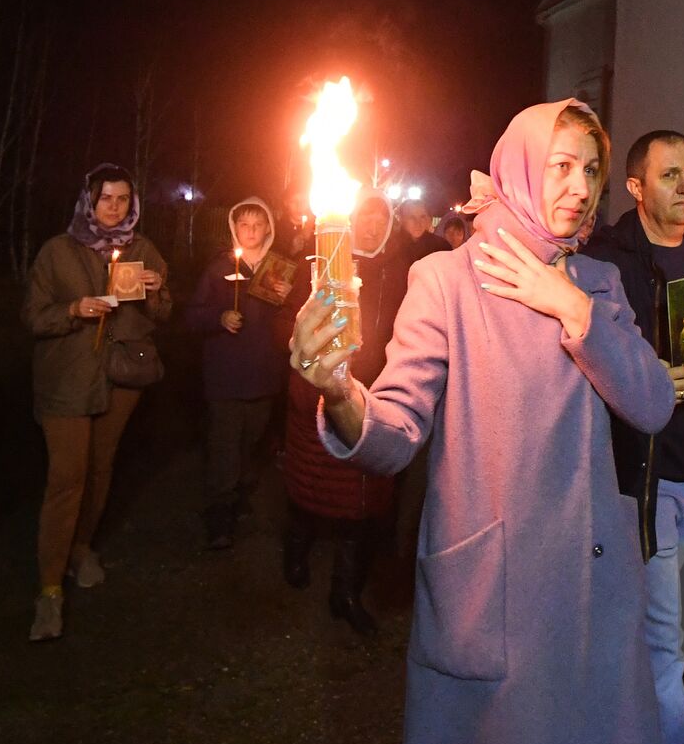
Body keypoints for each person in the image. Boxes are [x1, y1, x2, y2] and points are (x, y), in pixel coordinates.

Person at [288, 100, 674, 744]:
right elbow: (396, 430)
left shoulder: (597, 282)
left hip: (592, 588)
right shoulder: (446, 281)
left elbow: (654, 403)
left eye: (590, 171)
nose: (580, 188)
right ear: (521, 168)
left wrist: (571, 307)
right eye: (560, 166)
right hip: (497, 596)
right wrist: (338, 392)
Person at [583, 129, 684, 744]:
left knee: (644, 629)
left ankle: (609, 722)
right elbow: (587, 360)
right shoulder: (607, 261)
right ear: (636, 186)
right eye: (670, 174)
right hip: (642, 478)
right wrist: (645, 377)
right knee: (663, 646)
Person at [23, 163, 170, 640]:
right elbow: (33, 316)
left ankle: (82, 547)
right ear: (89, 201)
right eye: (105, 198)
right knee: (67, 478)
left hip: (120, 377)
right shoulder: (57, 252)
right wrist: (73, 309)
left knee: (101, 467)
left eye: (123, 199)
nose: (114, 207)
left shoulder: (143, 250)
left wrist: (154, 292)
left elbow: (164, 312)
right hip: (67, 380)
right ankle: (49, 590)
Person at [275, 188, 409, 636]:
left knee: (363, 498)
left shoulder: (402, 274)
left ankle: (345, 591)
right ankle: (296, 547)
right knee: (310, 484)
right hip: (317, 395)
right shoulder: (319, 267)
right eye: (363, 217)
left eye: (379, 218)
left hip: (374, 395)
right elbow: (288, 329)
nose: (371, 226)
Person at [185, 197, 291, 549]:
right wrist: (219, 318)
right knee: (224, 447)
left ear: (268, 229)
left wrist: (289, 299)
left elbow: (294, 322)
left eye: (257, 224)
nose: (250, 231)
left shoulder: (279, 271)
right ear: (234, 228)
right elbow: (192, 315)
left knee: (252, 441)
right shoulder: (219, 269)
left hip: (263, 375)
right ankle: (220, 515)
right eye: (243, 224)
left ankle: (241, 493)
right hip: (226, 376)